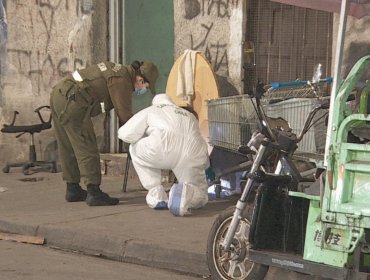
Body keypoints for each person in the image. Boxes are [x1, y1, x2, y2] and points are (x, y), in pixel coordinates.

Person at [50, 60, 159, 206]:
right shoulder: (123, 80)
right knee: (86, 145)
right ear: (140, 79)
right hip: (74, 101)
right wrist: (144, 139)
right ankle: (94, 191)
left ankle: (73, 188)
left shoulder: (118, 71)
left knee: (68, 145)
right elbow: (125, 117)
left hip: (59, 94)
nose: (144, 89)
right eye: (146, 86)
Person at [117, 93, 209, 216]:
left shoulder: (152, 110)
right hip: (192, 152)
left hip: (162, 147)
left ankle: (157, 195)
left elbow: (125, 134)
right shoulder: (189, 115)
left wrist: (142, 135)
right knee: (200, 193)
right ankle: (186, 192)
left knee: (134, 148)